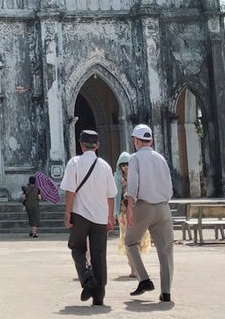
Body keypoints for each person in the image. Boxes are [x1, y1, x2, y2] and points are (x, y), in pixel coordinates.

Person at [60, 129, 117, 306]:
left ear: (81, 144)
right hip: (100, 217)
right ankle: (99, 296)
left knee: (76, 247)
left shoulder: (74, 163)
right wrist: (110, 217)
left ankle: (87, 278)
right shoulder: (105, 166)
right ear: (97, 145)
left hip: (81, 215)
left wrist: (67, 212)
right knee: (99, 254)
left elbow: (70, 191)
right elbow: (111, 195)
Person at [125, 123, 175, 303]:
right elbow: (169, 186)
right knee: (166, 251)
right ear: (151, 140)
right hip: (163, 207)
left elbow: (132, 186)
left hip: (144, 206)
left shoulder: (135, 158)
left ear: (136, 141)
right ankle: (166, 292)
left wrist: (130, 208)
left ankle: (144, 279)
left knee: (130, 243)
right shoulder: (160, 158)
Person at [114, 151, 150, 277]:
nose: (125, 167)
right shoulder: (118, 179)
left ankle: (138, 266)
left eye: (128, 164)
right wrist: (114, 213)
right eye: (123, 165)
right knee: (127, 241)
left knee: (138, 241)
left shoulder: (138, 177)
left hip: (138, 212)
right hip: (124, 214)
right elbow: (116, 197)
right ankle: (133, 268)